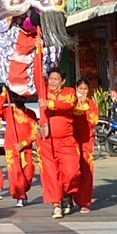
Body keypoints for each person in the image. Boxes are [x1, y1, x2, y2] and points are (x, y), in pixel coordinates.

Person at [34, 63, 81, 218]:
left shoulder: (69, 92)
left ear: (63, 81)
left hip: (67, 142)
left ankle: (67, 193)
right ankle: (56, 204)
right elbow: (36, 75)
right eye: (51, 78)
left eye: (56, 79)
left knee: (71, 173)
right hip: (47, 142)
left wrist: (50, 103)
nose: (53, 81)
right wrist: (38, 50)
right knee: (51, 175)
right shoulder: (44, 91)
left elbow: (68, 104)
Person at [0, 87, 38, 207]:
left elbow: (34, 131)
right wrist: (3, 93)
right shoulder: (8, 111)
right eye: (16, 96)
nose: (19, 99)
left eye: (21, 97)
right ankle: (20, 196)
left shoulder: (31, 114)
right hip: (11, 149)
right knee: (16, 173)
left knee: (29, 174)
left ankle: (23, 190)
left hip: (26, 149)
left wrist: (23, 143)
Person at [72, 77, 100, 213]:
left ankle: (84, 202)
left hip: (87, 142)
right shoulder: (70, 102)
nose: (82, 92)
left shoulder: (91, 104)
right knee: (71, 171)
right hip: (71, 142)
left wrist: (85, 107)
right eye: (80, 89)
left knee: (87, 172)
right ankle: (69, 196)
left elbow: (94, 121)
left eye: (85, 89)